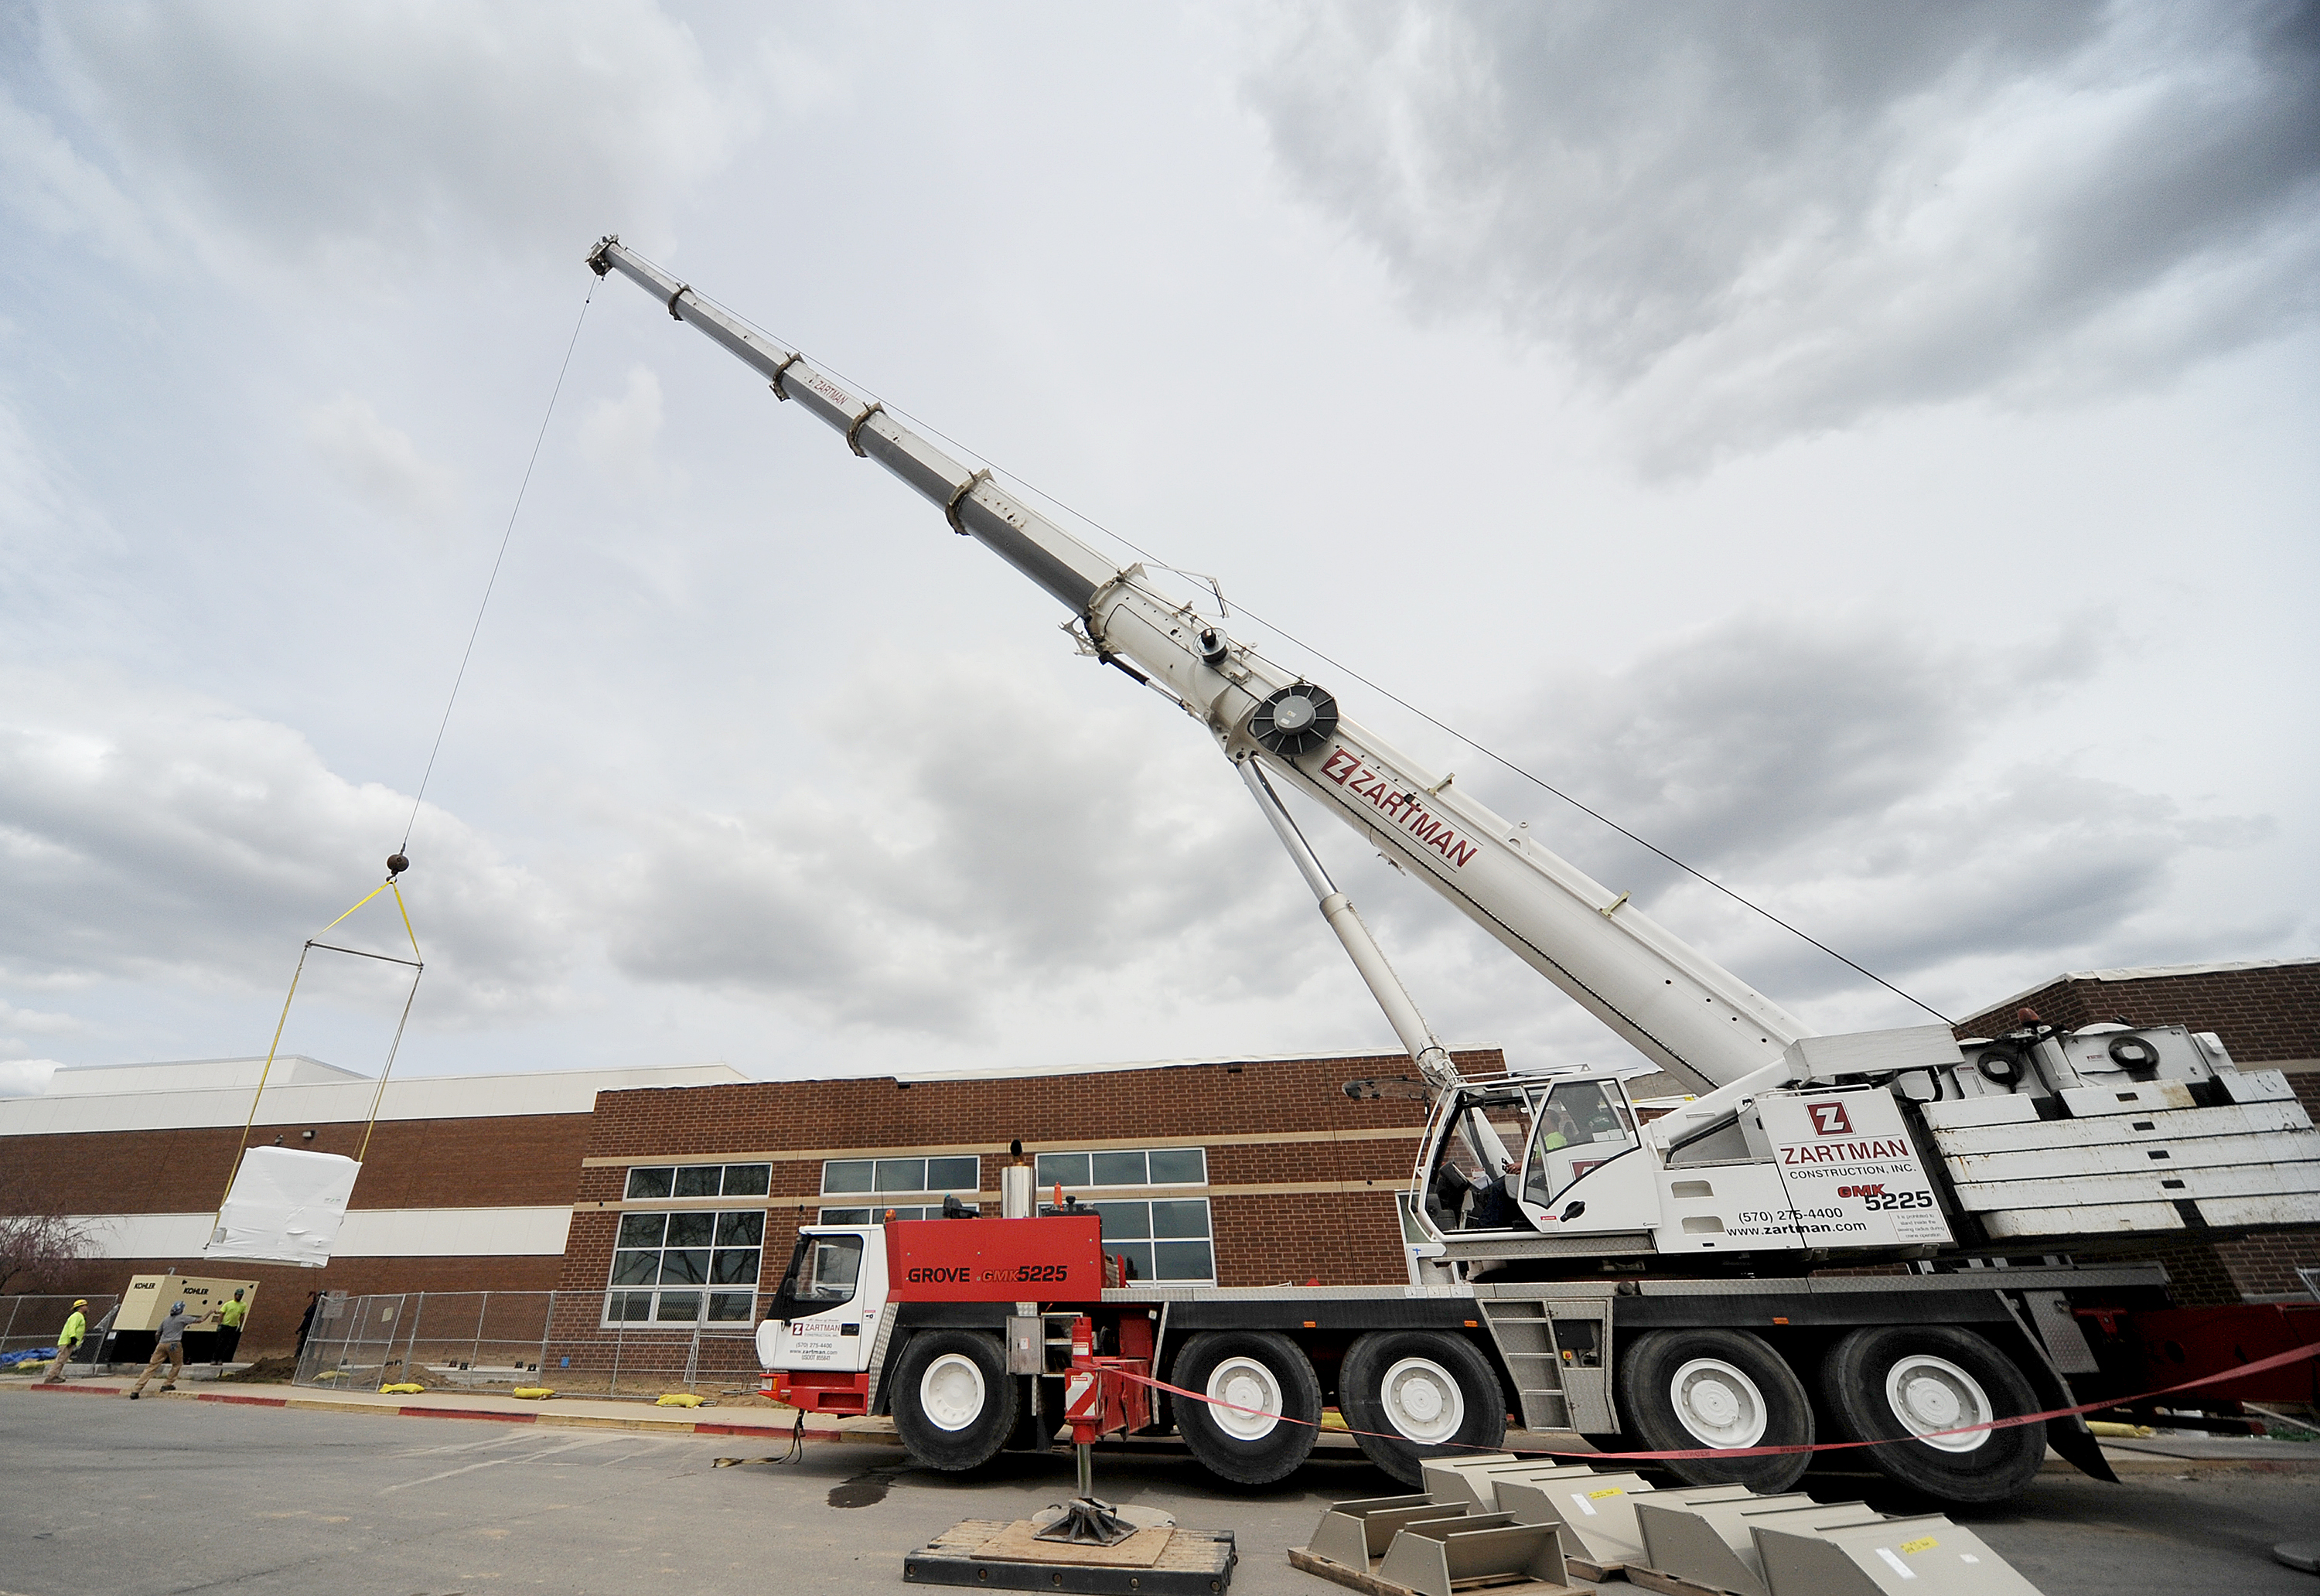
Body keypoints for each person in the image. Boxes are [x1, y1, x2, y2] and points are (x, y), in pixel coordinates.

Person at [129, 1300, 193, 1398]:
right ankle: (167, 1384)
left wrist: (158, 1343)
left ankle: (136, 1389)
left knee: (151, 1367)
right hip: (174, 1344)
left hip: (162, 1344)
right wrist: (209, 1313)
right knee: (177, 1364)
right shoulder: (182, 1319)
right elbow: (200, 1320)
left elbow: (157, 1333)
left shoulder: (166, 1319)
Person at [38, 1300, 87, 1384]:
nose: (87, 1308)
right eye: (85, 1306)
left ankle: (55, 1376)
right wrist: (73, 1337)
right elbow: (72, 1327)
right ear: (81, 1307)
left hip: (69, 1342)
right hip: (67, 1342)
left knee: (63, 1360)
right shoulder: (77, 1316)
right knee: (60, 1360)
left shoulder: (78, 1316)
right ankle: (51, 1377)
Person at [214, 1288, 249, 1366]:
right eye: (238, 1295)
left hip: (233, 1327)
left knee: (227, 1344)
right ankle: (214, 1359)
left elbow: (242, 1315)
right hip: (225, 1325)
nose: (239, 1297)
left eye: (241, 1295)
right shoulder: (228, 1304)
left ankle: (221, 1359)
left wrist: (240, 1326)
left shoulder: (243, 1305)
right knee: (220, 1343)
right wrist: (219, 1325)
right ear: (235, 1295)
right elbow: (221, 1314)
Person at [295, 1291, 320, 1360]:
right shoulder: (316, 1307)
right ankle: (305, 1357)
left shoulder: (315, 1307)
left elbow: (307, 1319)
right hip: (311, 1329)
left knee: (305, 1343)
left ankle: (303, 1358)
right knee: (307, 1344)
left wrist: (300, 1328)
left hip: (310, 1329)